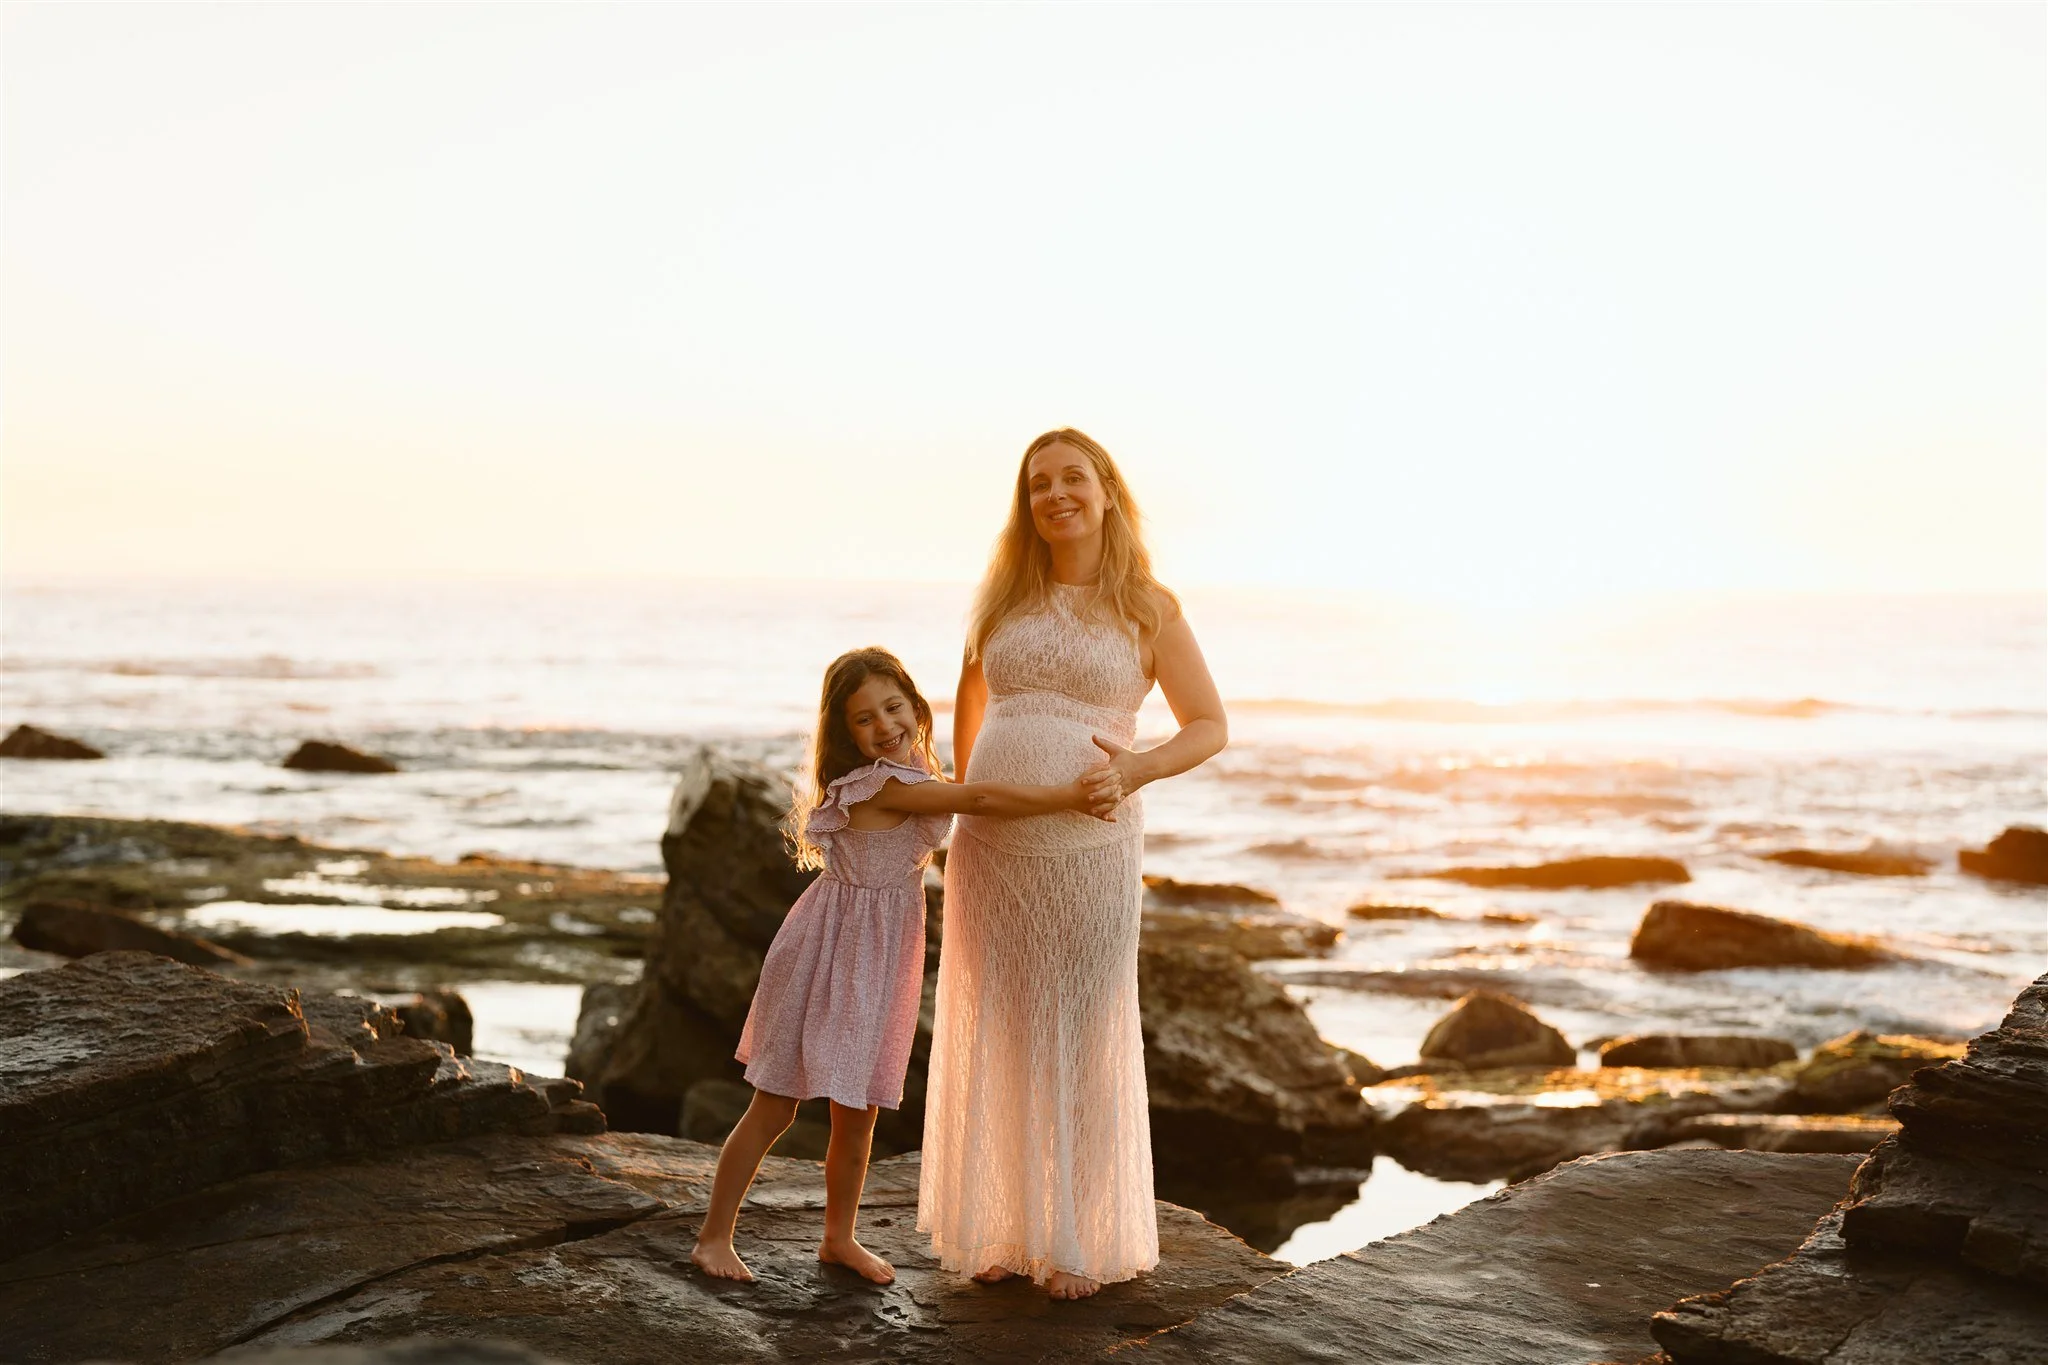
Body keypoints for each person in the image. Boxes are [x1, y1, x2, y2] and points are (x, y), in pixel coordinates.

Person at [690, 645, 1121, 1286]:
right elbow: (978, 799)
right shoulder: (884, 784)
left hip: (875, 954)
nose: (884, 725)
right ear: (842, 732)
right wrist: (1066, 797)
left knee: (857, 1112)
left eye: (893, 707)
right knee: (775, 1104)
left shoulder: (908, 768)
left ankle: (839, 1240)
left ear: (915, 706)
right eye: (863, 719)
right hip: (833, 952)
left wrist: (981, 658)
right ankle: (712, 1237)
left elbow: (958, 786)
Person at [921, 428, 1228, 1300]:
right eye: (1038, 483)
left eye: (1071, 478)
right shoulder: (1006, 595)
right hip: (994, 850)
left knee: (1084, 1032)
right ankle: (1003, 1227)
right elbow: (971, 697)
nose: (1054, 494)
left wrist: (1136, 767)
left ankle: (1080, 1240)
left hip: (1092, 846)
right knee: (1005, 1028)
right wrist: (960, 809)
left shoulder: (1149, 606)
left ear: (1105, 490)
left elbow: (1210, 723)